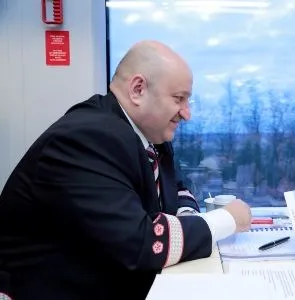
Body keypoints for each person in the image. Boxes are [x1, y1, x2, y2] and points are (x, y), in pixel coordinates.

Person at [0, 40, 252, 300]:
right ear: (138, 89)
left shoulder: (150, 136)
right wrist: (227, 220)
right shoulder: (87, 138)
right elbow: (141, 244)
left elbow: (176, 189)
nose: (186, 114)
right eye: (178, 99)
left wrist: (185, 217)